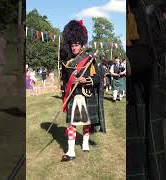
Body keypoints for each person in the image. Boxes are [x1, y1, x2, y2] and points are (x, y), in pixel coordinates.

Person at [127, 0, 166, 179]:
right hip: (131, 91)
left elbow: (154, 48)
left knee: (141, 163)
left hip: (141, 92)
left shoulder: (141, 7)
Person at [60, 20, 105, 162]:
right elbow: (65, 81)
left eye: (76, 45)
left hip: (86, 94)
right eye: (72, 45)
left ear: (82, 45)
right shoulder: (67, 63)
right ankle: (71, 151)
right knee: (71, 123)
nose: (74, 48)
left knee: (87, 122)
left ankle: (85, 142)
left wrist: (86, 80)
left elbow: (97, 78)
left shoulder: (89, 60)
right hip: (73, 95)